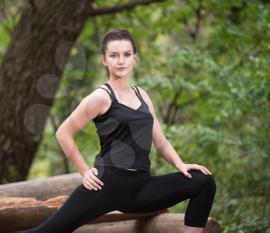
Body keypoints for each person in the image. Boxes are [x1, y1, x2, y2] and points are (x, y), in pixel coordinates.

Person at [23, 29, 216, 233]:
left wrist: (180, 164)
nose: (121, 61)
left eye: (126, 54)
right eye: (114, 55)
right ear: (104, 60)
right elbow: (63, 132)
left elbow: (161, 143)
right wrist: (85, 171)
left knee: (203, 182)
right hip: (106, 186)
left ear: (135, 57)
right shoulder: (101, 97)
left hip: (141, 186)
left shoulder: (142, 95)